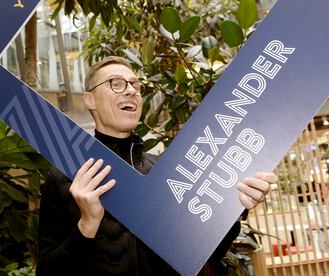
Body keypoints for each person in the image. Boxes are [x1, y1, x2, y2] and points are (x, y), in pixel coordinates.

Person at [37, 56, 277, 275]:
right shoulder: (65, 177)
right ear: (90, 99)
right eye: (116, 83)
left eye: (135, 85)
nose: (131, 91)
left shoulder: (165, 170)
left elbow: (202, 256)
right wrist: (86, 225)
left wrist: (231, 209)